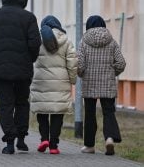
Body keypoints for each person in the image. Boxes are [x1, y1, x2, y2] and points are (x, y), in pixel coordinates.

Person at [0, 0, 41, 154]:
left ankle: (9, 141)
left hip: (2, 70)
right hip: (23, 70)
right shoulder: (29, 18)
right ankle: (21, 138)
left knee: (5, 105)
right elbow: (35, 43)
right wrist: (29, 59)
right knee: (22, 103)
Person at [77, 15, 126, 156]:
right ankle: (109, 138)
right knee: (108, 112)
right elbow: (121, 63)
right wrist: (112, 73)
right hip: (107, 83)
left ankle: (89, 145)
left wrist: (82, 74)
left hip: (89, 83)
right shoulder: (111, 42)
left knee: (90, 114)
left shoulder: (84, 42)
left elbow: (79, 65)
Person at [30, 15, 77, 154]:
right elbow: (72, 63)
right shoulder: (66, 41)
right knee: (58, 113)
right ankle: (54, 145)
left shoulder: (37, 40)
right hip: (61, 82)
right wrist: (73, 80)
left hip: (40, 81)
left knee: (42, 110)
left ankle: (44, 138)